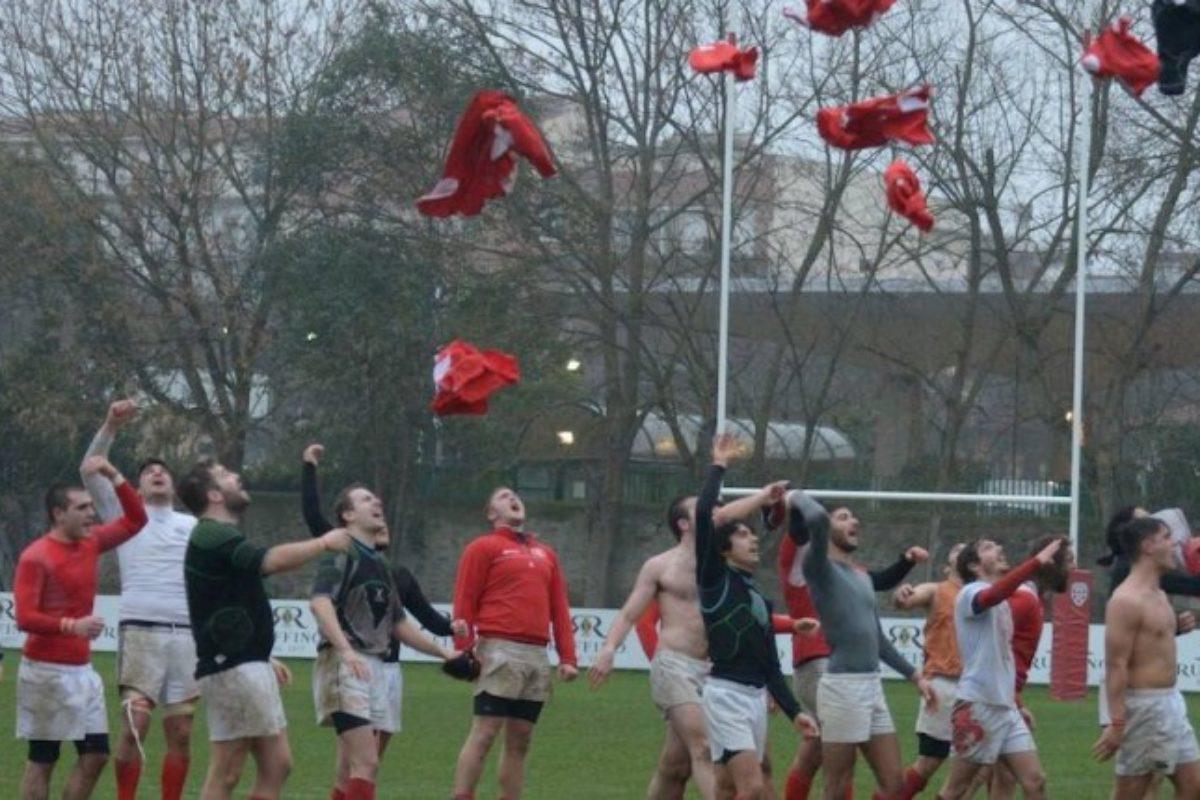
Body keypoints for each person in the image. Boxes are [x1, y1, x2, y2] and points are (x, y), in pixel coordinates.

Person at [589, 480, 810, 800]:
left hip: (717, 672)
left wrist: (791, 625)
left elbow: (743, 620)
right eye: (706, 509)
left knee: (674, 766)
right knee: (704, 748)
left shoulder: (723, 566)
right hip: (674, 665)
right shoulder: (660, 566)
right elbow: (628, 614)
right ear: (683, 523)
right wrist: (609, 649)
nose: (718, 512)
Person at [179, 459, 352, 800]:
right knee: (226, 772)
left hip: (245, 662)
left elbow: (223, 603)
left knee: (277, 765)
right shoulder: (212, 533)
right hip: (232, 666)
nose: (237, 476)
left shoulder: (220, 536)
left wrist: (262, 657)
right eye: (226, 475)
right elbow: (268, 561)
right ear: (214, 494)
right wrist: (324, 543)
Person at [301, 444, 456, 756]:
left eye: (376, 499)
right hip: (349, 661)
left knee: (367, 764)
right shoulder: (343, 550)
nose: (378, 503)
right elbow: (320, 602)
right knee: (360, 764)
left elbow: (403, 623)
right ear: (347, 516)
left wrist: (446, 649)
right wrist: (308, 468)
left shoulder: (386, 568)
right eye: (366, 499)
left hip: (380, 663)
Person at [80, 399, 199, 800]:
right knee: (136, 725)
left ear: (174, 485)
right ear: (137, 486)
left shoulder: (193, 525)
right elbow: (90, 467)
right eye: (148, 471)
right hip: (141, 630)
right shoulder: (124, 514)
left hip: (186, 635)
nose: (156, 473)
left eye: (163, 470)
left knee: (181, 732)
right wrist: (110, 425)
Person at [775, 499, 928, 800]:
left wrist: (915, 676)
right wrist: (794, 496)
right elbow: (816, 517)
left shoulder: (861, 577)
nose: (854, 522)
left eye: (854, 517)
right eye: (844, 517)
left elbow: (878, 640)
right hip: (843, 687)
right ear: (826, 528)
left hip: (872, 686)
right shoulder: (818, 568)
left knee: (893, 784)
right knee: (836, 786)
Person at [15, 456, 148, 800]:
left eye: (92, 506)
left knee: (96, 755)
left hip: (82, 671)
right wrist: (71, 625)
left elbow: (137, 519)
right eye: (82, 507)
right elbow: (25, 617)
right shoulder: (36, 556)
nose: (92, 513)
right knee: (43, 759)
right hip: (45, 672)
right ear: (59, 514)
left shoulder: (90, 543)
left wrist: (113, 474)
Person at [694, 434, 818, 800]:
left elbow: (769, 667)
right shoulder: (714, 580)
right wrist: (719, 466)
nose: (753, 540)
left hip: (754, 696)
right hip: (726, 695)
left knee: (729, 786)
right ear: (724, 548)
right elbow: (705, 515)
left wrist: (795, 711)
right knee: (753, 787)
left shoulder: (758, 600)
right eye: (743, 535)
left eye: (752, 534)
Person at [450, 486, 578, 800]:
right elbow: (465, 600)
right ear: (491, 513)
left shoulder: (546, 553)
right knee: (485, 731)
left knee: (521, 739)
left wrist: (568, 657)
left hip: (536, 655)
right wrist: (463, 651)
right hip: (498, 649)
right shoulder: (483, 547)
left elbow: (559, 608)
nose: (513, 498)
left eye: (515, 495)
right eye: (503, 496)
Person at [934, 537, 1062, 800]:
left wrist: (1016, 701)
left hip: (1005, 707)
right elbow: (993, 594)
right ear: (974, 565)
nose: (1000, 549)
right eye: (988, 548)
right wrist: (1036, 562)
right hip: (977, 705)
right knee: (955, 790)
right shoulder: (970, 594)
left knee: (1035, 781)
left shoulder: (1002, 601)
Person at [1094, 517, 1200, 798]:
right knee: (1133, 793)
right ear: (1147, 546)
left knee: (1193, 787)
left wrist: (1175, 628)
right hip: (1145, 708)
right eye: (1166, 537)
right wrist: (1116, 723)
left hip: (1171, 702)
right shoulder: (1126, 600)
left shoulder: (1160, 594)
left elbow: (1147, 641)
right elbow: (1116, 665)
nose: (1175, 543)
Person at [983, 536, 1070, 800]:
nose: (1074, 568)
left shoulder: (1030, 597)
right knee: (970, 782)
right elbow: (993, 646)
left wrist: (1017, 703)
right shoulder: (1024, 598)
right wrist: (1014, 700)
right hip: (991, 701)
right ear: (1052, 565)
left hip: (1003, 699)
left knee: (1007, 779)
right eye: (1069, 561)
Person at [891, 542, 965, 800]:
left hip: (975, 688)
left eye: (968, 549)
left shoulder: (984, 594)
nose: (963, 551)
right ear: (947, 567)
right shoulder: (938, 590)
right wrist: (903, 595)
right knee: (931, 761)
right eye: (956, 550)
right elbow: (909, 599)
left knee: (979, 767)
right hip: (944, 684)